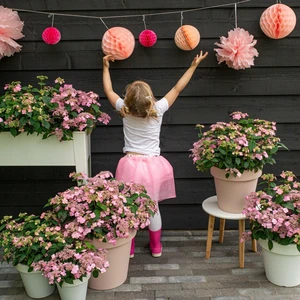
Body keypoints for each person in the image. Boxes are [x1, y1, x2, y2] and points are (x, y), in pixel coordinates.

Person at [102, 50, 208, 258]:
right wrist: (193, 66)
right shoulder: (157, 110)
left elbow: (108, 89)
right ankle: (156, 247)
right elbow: (178, 87)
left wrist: (106, 66)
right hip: (152, 167)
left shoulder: (124, 110)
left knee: (129, 207)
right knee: (153, 208)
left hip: (130, 166)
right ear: (149, 100)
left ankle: (129, 250)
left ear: (129, 100)